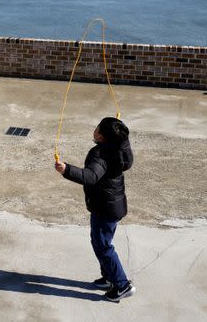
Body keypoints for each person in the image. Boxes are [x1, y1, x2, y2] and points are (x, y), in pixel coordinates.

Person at [54, 117, 135, 303]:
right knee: (101, 242)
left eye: (97, 127)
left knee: (103, 246)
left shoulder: (101, 154)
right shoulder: (119, 149)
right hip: (113, 205)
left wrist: (66, 169)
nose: (94, 129)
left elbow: (90, 176)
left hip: (104, 208)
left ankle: (123, 285)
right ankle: (109, 278)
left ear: (101, 135)